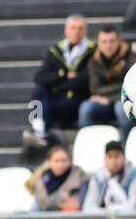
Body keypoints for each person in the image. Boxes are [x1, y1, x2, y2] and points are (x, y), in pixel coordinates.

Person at [5, 144, 90, 219]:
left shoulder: (79, 179)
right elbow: (36, 207)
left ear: (70, 162)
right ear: (49, 162)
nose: (60, 164)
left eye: (64, 160)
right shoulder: (42, 181)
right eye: (56, 161)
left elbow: (74, 205)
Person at [25, 15, 94, 146]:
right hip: (58, 101)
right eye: (73, 28)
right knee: (38, 92)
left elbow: (85, 81)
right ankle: (37, 129)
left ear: (85, 31)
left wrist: (60, 84)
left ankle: (42, 135)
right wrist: (63, 75)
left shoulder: (93, 51)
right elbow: (39, 78)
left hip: (78, 102)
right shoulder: (56, 51)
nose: (76, 32)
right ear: (66, 31)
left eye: (80, 28)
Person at [78, 26, 136, 137]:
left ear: (118, 41)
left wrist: (109, 99)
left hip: (124, 101)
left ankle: (126, 148)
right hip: (103, 104)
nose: (108, 46)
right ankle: (88, 146)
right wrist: (116, 91)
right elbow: (95, 89)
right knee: (86, 108)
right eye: (104, 42)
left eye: (111, 41)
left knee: (120, 108)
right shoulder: (94, 61)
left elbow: (132, 87)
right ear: (99, 43)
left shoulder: (131, 57)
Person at [81, 141, 136, 213]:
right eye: (110, 157)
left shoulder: (135, 176)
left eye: (117, 156)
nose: (113, 161)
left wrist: (111, 212)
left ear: (124, 158)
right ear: (105, 159)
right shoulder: (98, 178)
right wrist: (106, 214)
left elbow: (133, 207)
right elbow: (88, 208)